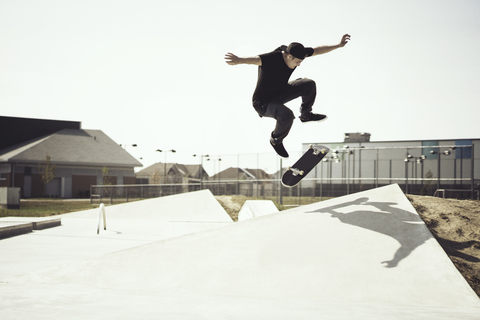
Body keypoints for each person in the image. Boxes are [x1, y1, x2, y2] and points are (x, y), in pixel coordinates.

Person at [225, 34, 350, 158]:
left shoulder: (296, 52)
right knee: (287, 115)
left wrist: (338, 45)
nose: (299, 65)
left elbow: (317, 50)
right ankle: (276, 140)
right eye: (297, 62)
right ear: (289, 56)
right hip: (263, 103)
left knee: (308, 84)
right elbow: (256, 59)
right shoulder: (272, 58)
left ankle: (306, 115)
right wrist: (239, 60)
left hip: (281, 92)